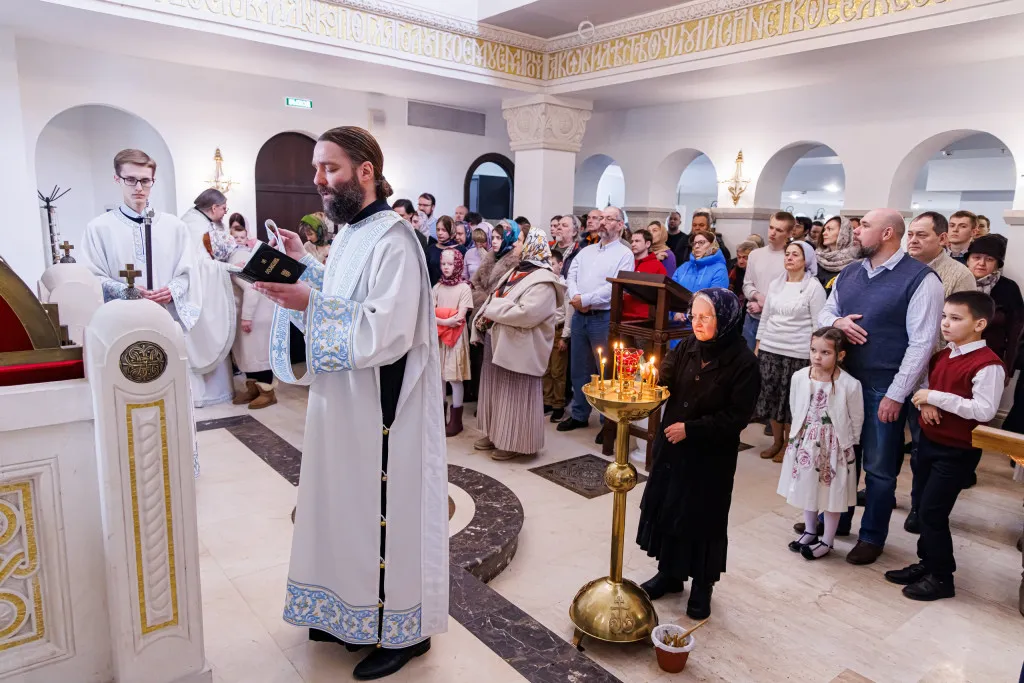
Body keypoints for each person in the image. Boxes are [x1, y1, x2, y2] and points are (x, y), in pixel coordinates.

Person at [255, 126, 447, 679]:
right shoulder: (352, 234)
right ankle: (348, 613)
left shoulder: (396, 239)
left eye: (329, 168)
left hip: (380, 408)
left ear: (366, 171)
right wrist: (305, 267)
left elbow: (384, 330)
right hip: (344, 400)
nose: (318, 180)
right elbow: (347, 299)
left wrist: (308, 299)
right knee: (344, 506)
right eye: (318, 169)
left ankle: (402, 633)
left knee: (380, 513)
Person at [816, 208, 944, 565]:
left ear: (888, 233)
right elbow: (825, 313)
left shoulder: (921, 279)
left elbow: (922, 343)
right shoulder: (851, 272)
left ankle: (872, 535)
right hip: (843, 381)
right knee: (841, 458)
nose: (856, 232)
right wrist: (838, 321)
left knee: (879, 467)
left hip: (883, 384)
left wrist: (896, 394)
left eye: (864, 226)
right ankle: (836, 521)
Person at [81, 148, 208, 476]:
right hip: (121, 328)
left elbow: (189, 273)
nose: (139, 187)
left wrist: (172, 290)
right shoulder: (100, 228)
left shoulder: (173, 227)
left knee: (173, 390)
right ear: (117, 179)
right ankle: (128, 472)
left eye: (146, 181)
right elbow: (91, 277)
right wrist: (127, 291)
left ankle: (179, 466)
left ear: (153, 181)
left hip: (165, 321)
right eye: (131, 180)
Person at [636, 288, 760, 619]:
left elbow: (737, 417)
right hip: (673, 449)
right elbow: (665, 376)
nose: (697, 323)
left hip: (709, 457)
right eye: (694, 316)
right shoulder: (688, 346)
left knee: (702, 518)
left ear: (727, 319)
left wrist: (692, 429)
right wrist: (647, 384)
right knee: (671, 507)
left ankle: (703, 586)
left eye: (706, 317)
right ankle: (670, 574)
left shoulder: (744, 363)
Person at [887, 291, 1005, 600]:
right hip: (929, 441)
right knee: (923, 507)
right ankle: (927, 563)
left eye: (955, 318)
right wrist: (925, 402)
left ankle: (942, 578)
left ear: (979, 324)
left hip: (957, 450)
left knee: (933, 513)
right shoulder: (945, 354)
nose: (945, 324)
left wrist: (934, 399)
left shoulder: (988, 364)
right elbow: (927, 387)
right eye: (944, 317)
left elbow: (983, 410)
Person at [903, 211, 978, 532]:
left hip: (933, 372)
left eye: (922, 235)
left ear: (943, 239)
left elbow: (963, 332)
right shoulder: (901, 268)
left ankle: (921, 507)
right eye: (911, 234)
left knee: (924, 446)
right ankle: (880, 491)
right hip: (898, 366)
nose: (913, 241)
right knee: (891, 440)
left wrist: (937, 385)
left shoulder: (958, 275)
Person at [472, 229, 564, 460]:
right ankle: (495, 434)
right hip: (500, 339)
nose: (515, 244)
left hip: (520, 348)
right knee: (496, 390)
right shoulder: (518, 270)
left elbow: (528, 314)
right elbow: (496, 295)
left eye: (521, 241)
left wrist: (493, 309)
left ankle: (513, 442)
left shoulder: (544, 280)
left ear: (533, 245)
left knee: (514, 395)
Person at [779, 328, 863, 560]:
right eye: (814, 350)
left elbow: (856, 418)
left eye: (825, 352)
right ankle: (810, 530)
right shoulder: (800, 377)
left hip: (835, 446)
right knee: (808, 487)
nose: (817, 356)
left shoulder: (850, 384)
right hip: (807, 441)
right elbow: (796, 407)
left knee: (832, 493)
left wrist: (849, 445)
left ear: (840, 355)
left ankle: (828, 540)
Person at [558, 207, 634, 432]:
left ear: (620, 225)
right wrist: (575, 296)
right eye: (602, 218)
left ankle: (606, 422)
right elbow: (571, 274)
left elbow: (616, 286)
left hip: (603, 317)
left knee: (605, 370)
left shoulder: (624, 254)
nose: (603, 223)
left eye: (609, 219)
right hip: (580, 316)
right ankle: (579, 414)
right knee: (579, 368)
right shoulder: (587, 251)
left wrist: (587, 298)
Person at [753, 241, 827, 461]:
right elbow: (765, 316)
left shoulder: (813, 287)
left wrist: (816, 356)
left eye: (795, 255)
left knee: (791, 402)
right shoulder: (776, 284)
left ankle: (790, 445)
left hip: (798, 352)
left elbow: (818, 326)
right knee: (772, 397)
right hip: (770, 348)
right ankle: (776, 442)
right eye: (787, 254)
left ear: (806, 260)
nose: (790, 258)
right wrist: (758, 344)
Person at [228, 240, 277, 409]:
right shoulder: (234, 257)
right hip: (252, 314)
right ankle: (253, 389)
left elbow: (251, 287)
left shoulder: (236, 259)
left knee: (258, 354)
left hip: (256, 316)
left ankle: (267, 392)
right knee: (248, 354)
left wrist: (246, 317)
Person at [966, 235, 1024, 371]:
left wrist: (1008, 366)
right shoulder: (958, 282)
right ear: (968, 260)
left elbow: (1016, 330)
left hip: (992, 359)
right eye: (976, 257)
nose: (981, 263)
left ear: (997, 264)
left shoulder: (1008, 287)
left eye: (989, 259)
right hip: (954, 353)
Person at [434, 248, 473, 437]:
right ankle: (440, 417)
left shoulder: (464, 288)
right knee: (440, 376)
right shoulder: (437, 287)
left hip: (456, 337)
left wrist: (442, 319)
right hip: (440, 336)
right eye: (443, 264)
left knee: (454, 377)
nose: (446, 267)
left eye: (450, 264)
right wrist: (444, 321)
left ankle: (456, 420)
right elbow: (429, 312)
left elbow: (461, 315)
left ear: (457, 264)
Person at [742, 212, 794, 349]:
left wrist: (765, 305)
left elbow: (791, 292)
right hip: (752, 318)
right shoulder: (755, 254)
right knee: (748, 362)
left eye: (779, 230)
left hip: (776, 321)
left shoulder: (790, 258)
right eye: (771, 227)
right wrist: (757, 296)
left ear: (789, 233)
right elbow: (747, 284)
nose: (773, 233)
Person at [669, 230, 729, 337]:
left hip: (703, 329)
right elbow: (671, 291)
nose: (696, 246)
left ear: (712, 245)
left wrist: (689, 315)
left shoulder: (719, 269)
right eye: (694, 243)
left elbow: (714, 300)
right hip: (678, 326)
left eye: (701, 243)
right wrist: (675, 312)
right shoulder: (684, 267)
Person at [543, 249, 572, 423]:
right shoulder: (545, 283)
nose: (549, 267)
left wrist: (565, 336)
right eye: (547, 263)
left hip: (559, 330)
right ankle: (547, 401)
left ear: (560, 265)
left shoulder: (565, 286)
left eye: (552, 263)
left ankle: (558, 405)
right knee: (545, 369)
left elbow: (569, 313)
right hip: (545, 330)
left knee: (557, 371)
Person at [471, 221, 521, 311]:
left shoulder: (514, 262)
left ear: (507, 238)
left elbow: (510, 291)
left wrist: (490, 302)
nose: (494, 241)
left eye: (498, 238)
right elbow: (475, 281)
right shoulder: (489, 256)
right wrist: (480, 296)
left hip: (499, 311)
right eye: (492, 238)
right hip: (479, 309)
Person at [623, 229, 668, 331]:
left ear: (647, 244)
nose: (633, 244)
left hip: (644, 319)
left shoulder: (657, 266)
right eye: (632, 241)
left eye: (637, 241)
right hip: (623, 316)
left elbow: (662, 294)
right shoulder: (626, 263)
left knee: (642, 347)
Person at [815, 216, 859, 293]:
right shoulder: (818, 257)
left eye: (830, 229)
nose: (824, 233)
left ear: (843, 232)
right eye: (824, 229)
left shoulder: (856, 261)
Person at [426, 215, 457, 286]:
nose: (440, 233)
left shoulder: (460, 249)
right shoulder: (431, 249)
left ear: (451, 230)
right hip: (433, 290)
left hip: (453, 290)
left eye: (444, 230)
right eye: (438, 229)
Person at [729, 241, 756, 311]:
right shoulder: (734, 270)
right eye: (739, 257)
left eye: (745, 258)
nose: (741, 261)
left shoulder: (758, 272)